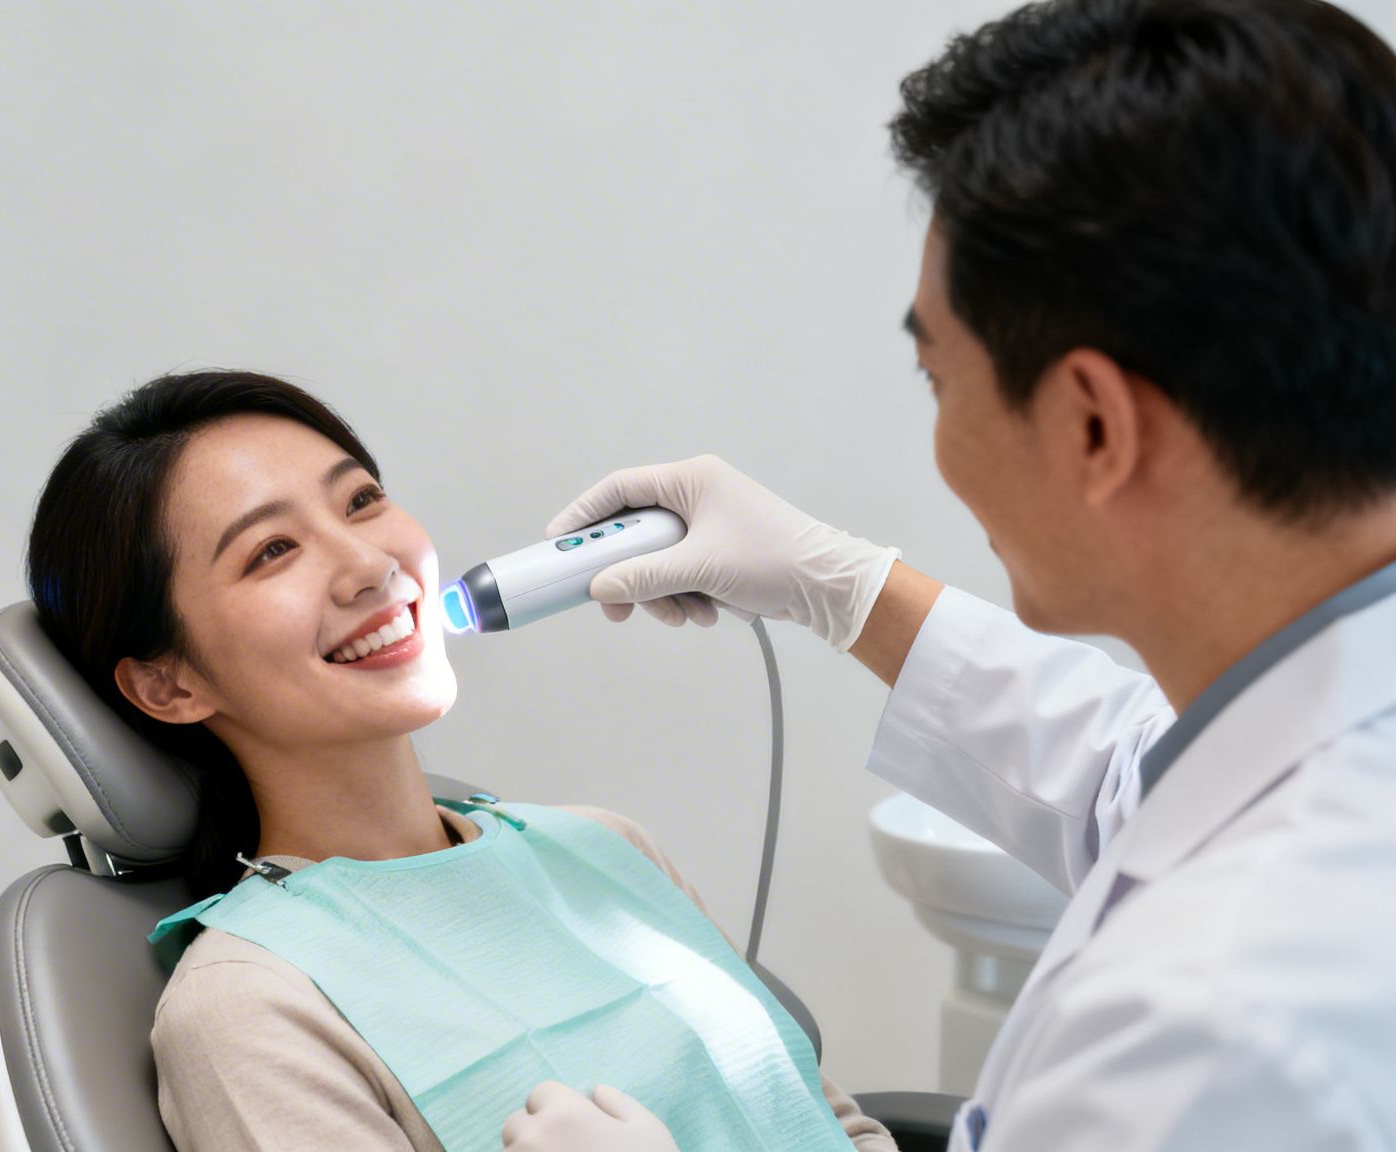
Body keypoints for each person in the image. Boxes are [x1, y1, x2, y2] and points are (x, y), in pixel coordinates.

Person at [514, 0, 1396, 1148]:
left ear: (1092, 425)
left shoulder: (1204, 1036)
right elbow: (1140, 776)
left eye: (936, 378)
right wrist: (844, 589)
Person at [25, 370, 897, 1151]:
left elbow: (838, 1132)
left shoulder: (606, 847)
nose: (369, 564)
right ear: (168, 685)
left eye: (361, 500)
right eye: (272, 551)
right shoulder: (248, 1006)